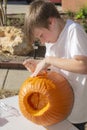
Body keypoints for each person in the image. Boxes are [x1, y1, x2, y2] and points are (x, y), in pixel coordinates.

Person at [23, 0, 87, 129]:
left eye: (41, 35)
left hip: (78, 107)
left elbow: (83, 66)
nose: (42, 41)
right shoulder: (51, 39)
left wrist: (49, 61)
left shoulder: (73, 31)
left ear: (51, 22)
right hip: (61, 105)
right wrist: (41, 66)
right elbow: (58, 66)